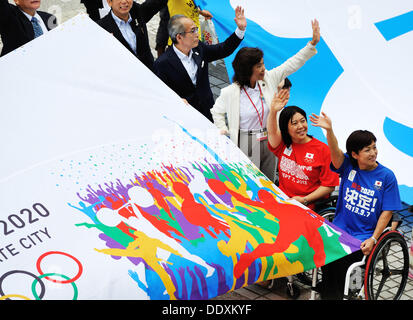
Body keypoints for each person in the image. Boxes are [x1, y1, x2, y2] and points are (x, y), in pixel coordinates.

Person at [210, 20, 320, 182]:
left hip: (271, 138)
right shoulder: (231, 92)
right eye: (259, 66)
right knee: (250, 181)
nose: (264, 68)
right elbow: (216, 111)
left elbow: (292, 64)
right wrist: (223, 130)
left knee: (268, 180)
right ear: (248, 70)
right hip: (246, 141)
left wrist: (312, 44)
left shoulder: (269, 79)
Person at [310, 112, 402, 299]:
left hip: (362, 237)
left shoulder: (386, 176)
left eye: (374, 148)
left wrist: (374, 239)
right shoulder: (349, 166)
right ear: (354, 154)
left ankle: (337, 292)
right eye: (367, 149)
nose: (373, 153)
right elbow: (335, 154)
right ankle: (329, 291)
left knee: (342, 266)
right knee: (324, 257)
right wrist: (329, 131)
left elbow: (387, 211)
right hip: (340, 230)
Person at [153, 6, 246, 122]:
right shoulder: (162, 64)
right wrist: (176, 101)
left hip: (208, 111)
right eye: (193, 31)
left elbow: (222, 49)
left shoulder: (199, 49)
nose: (197, 33)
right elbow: (159, 95)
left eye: (196, 29)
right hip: (184, 118)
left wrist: (240, 30)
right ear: (179, 37)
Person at [266, 92, 339, 210]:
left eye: (303, 121)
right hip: (282, 199)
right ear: (285, 128)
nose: (300, 126)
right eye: (294, 123)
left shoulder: (322, 150)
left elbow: (329, 186)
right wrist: (273, 112)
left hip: (308, 205)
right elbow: (272, 132)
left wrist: (304, 200)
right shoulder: (283, 144)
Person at [97, 0, 167, 70]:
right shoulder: (101, 29)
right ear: (109, 2)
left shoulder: (138, 11)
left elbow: (156, 3)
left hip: (150, 71)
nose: (124, 1)